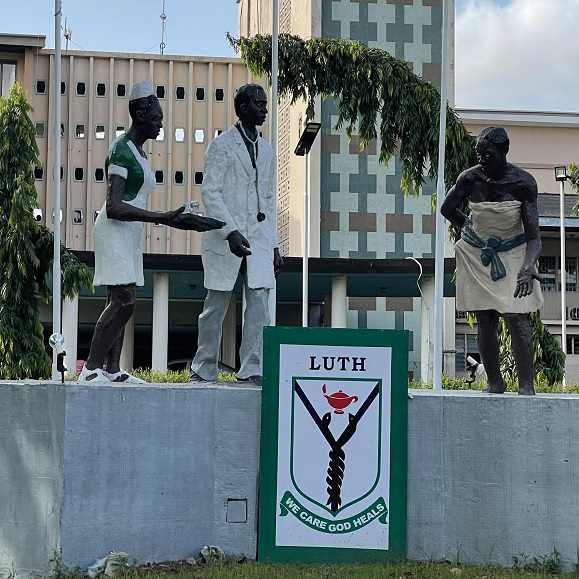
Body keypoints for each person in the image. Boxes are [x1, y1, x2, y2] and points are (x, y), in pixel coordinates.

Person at [79, 80, 224, 384]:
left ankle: (113, 369)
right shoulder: (121, 150)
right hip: (115, 229)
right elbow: (115, 205)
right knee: (124, 300)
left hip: (130, 232)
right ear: (140, 115)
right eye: (157, 118)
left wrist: (176, 217)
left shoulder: (142, 155)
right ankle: (92, 368)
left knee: (119, 300)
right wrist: (162, 217)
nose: (160, 125)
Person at [189, 83, 284, 386]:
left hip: (259, 240)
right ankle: (203, 368)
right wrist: (230, 231)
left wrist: (275, 245)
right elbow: (211, 192)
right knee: (216, 305)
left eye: (265, 104)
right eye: (259, 105)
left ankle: (251, 368)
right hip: (226, 238)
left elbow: (268, 200)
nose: (265, 110)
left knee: (259, 307)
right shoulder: (222, 145)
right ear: (243, 109)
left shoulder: (267, 150)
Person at [440, 126, 543, 395]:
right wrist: (470, 232)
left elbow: (534, 238)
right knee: (485, 317)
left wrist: (528, 266)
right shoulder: (469, 179)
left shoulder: (524, 183)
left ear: (503, 151)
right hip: (479, 253)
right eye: (479, 154)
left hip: (515, 252)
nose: (482, 159)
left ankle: (526, 386)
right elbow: (447, 209)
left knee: (516, 315)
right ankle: (494, 382)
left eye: (488, 153)